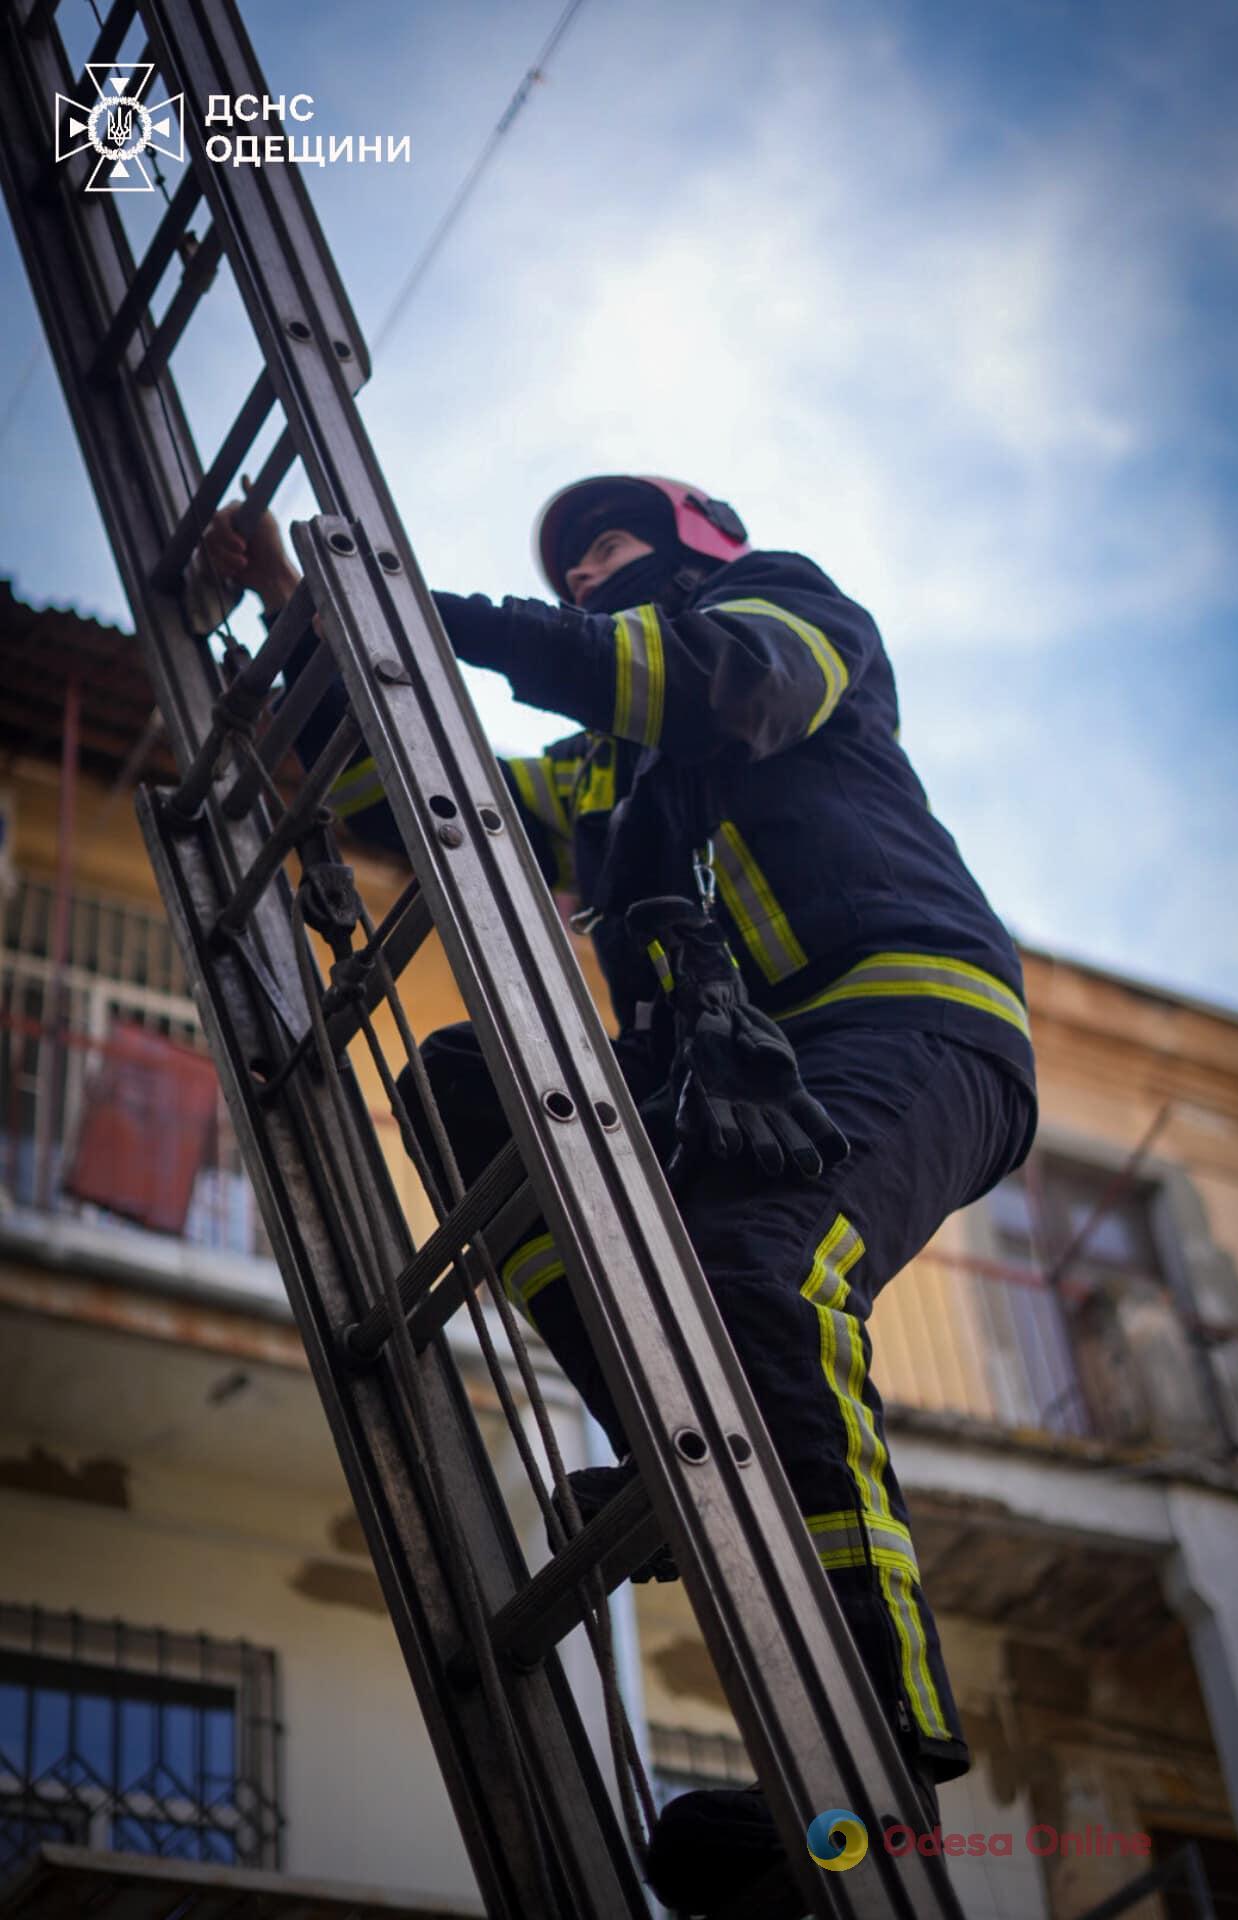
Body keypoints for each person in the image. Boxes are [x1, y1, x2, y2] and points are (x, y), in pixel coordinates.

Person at [205, 474, 1038, 1915]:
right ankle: (666, 1433)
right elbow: (398, 788)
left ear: (695, 549)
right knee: (471, 1085)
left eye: (610, 547)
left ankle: (882, 1731)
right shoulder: (604, 775)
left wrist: (414, 612)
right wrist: (296, 620)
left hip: (912, 1020)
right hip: (735, 1075)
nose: (588, 576)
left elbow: (706, 686)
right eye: (573, 561)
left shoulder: (783, 614)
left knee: (772, 1270)